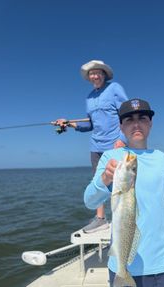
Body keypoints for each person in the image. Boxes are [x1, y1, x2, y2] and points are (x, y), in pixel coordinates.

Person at [84, 98, 164, 287]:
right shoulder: (110, 157)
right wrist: (105, 179)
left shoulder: (161, 158)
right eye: (129, 120)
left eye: (142, 118)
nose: (136, 124)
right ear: (121, 126)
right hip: (124, 264)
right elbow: (89, 201)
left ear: (151, 124)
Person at [55, 60, 128, 233]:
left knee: (121, 183)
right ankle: (101, 218)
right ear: (89, 78)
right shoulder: (89, 97)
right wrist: (69, 123)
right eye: (91, 74)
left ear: (104, 74)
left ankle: (124, 218)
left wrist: (123, 138)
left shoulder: (114, 88)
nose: (95, 76)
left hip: (115, 144)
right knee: (99, 182)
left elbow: (126, 113)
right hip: (96, 145)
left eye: (98, 72)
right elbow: (90, 125)